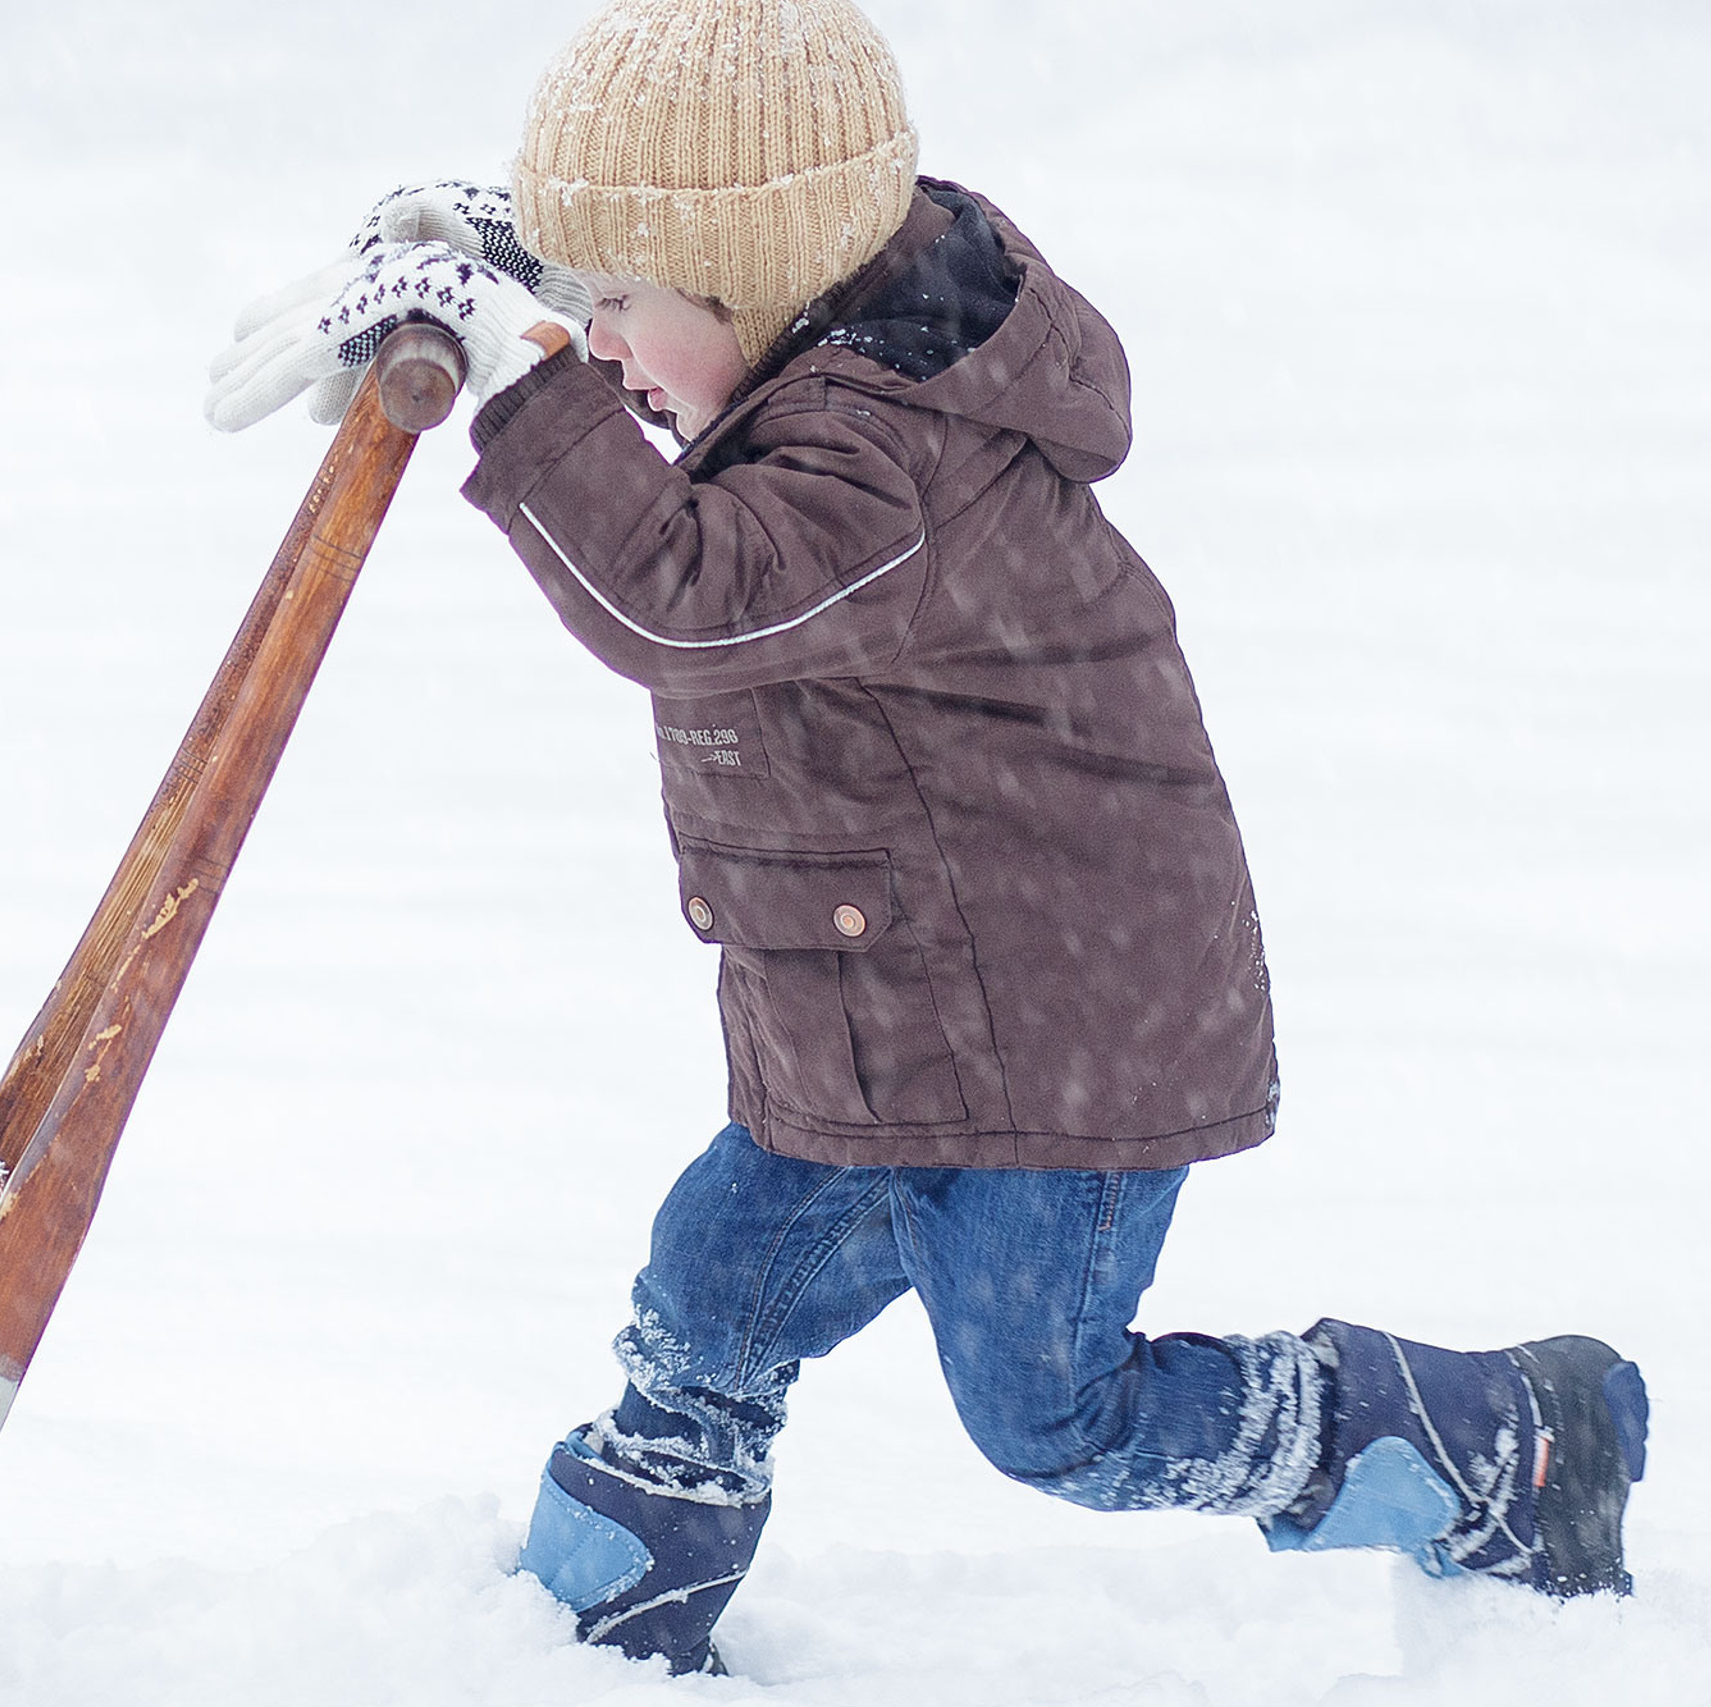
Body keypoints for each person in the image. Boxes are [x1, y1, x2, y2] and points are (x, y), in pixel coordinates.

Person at [207, 0, 1649, 1675]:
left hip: (1058, 1039)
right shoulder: (819, 319)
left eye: (622, 310)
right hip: (887, 997)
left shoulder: (891, 456)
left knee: (1049, 1408)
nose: (601, 350)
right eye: (585, 308)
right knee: (713, 1278)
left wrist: (521, 382)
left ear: (755, 290)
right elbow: (700, 273)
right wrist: (524, 257)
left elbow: (688, 600)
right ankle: (614, 1587)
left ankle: (1500, 1447)